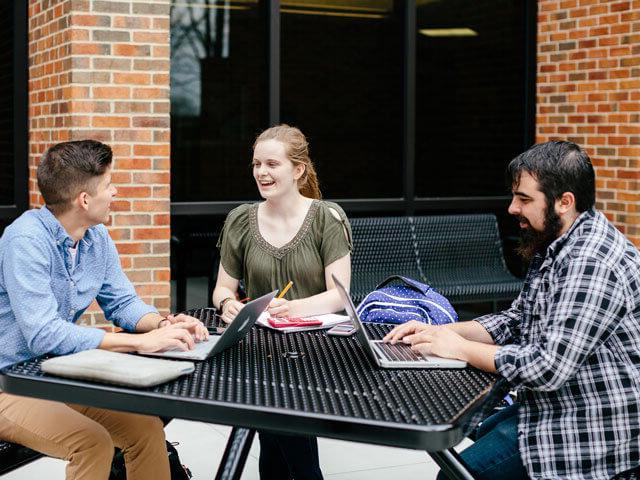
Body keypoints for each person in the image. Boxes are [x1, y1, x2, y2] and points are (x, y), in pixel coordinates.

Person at [384, 141, 640, 479]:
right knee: (467, 440)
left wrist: (460, 349)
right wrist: (444, 331)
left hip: (590, 421)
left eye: (524, 199)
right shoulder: (560, 242)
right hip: (555, 401)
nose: (512, 208)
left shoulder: (591, 262)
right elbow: (519, 318)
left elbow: (548, 366)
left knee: (455, 475)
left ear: (564, 202)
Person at [0, 140, 209, 480]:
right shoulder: (25, 241)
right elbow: (43, 333)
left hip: (54, 376)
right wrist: (137, 343)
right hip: (9, 384)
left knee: (144, 428)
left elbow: (123, 303)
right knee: (91, 442)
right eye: (109, 185)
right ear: (84, 199)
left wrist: (165, 324)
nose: (115, 192)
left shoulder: (96, 238)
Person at [212, 124, 352, 479]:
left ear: (298, 170)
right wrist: (228, 303)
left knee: (279, 432)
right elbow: (222, 288)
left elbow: (340, 295)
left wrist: (294, 308)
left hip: (314, 350)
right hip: (257, 346)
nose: (262, 172)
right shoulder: (240, 220)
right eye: (257, 164)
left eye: (272, 164)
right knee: (277, 438)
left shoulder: (327, 217)